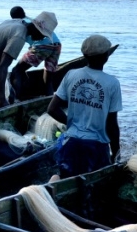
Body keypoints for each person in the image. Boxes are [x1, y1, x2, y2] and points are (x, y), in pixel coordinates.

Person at [47, 34, 121, 181]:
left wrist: (72, 124)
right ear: (106, 56)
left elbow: (52, 109)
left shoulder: (71, 75)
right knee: (95, 184)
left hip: (71, 143)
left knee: (66, 180)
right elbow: (112, 124)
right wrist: (116, 153)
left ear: (84, 56)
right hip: (96, 147)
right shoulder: (112, 83)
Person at [0, 12, 53, 110]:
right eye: (43, 35)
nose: (42, 38)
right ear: (36, 29)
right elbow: (3, 67)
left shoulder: (15, 22)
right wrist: (1, 98)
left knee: (10, 95)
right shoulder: (19, 37)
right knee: (2, 100)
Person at [9, 10, 60, 100]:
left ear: (13, 18)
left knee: (17, 70)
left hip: (42, 46)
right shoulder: (35, 20)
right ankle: (48, 100)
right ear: (24, 13)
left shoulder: (21, 24)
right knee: (48, 79)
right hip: (56, 45)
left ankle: (18, 98)